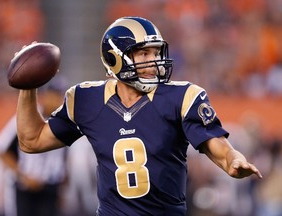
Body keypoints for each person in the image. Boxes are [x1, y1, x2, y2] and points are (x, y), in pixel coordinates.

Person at [14, 17, 262, 215]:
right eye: (143, 54)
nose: (153, 61)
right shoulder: (85, 99)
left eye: (155, 53)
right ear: (114, 58)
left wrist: (232, 159)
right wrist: (28, 87)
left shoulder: (181, 97)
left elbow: (214, 142)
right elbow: (32, 140)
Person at [0, 80, 68, 216]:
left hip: (51, 187)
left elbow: (64, 158)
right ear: (45, 95)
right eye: (53, 95)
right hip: (25, 188)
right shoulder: (27, 117)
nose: (57, 100)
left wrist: (62, 189)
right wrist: (24, 177)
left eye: (60, 96)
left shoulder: (64, 121)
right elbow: (3, 151)